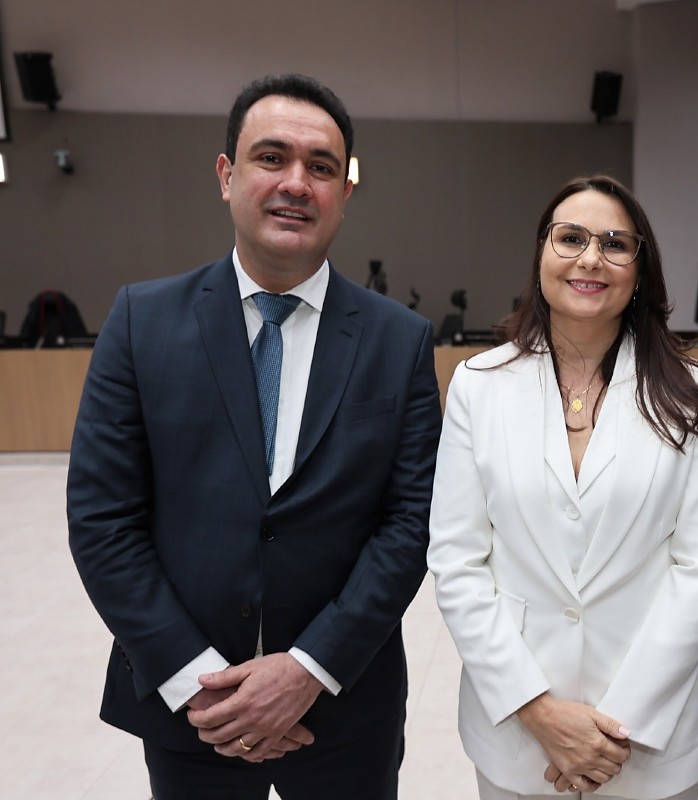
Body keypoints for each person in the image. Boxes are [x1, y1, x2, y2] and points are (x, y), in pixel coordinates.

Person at [66, 74, 442, 799]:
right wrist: (197, 682)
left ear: (345, 192)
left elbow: (411, 522)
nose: (296, 182)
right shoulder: (143, 322)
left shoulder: (400, 341)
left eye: (321, 166)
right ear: (226, 175)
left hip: (342, 708)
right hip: (193, 713)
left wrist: (309, 668)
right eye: (271, 157)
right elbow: (102, 520)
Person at [428, 174, 698, 800]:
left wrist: (616, 726)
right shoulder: (479, 386)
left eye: (615, 244)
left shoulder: (693, 392)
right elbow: (457, 562)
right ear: (542, 253)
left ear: (640, 269)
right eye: (571, 238)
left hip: (649, 740)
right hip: (518, 733)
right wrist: (538, 710)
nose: (591, 258)